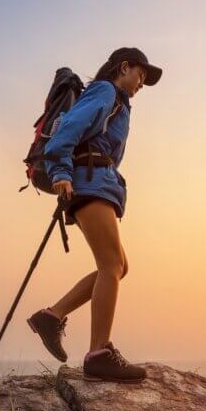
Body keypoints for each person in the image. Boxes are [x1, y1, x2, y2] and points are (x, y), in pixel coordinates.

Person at [27, 48, 162, 382]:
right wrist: (60, 171)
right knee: (112, 265)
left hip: (96, 182)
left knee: (118, 266)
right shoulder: (105, 91)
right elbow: (67, 128)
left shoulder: (116, 100)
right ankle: (99, 352)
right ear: (124, 67)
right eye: (141, 74)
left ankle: (52, 316)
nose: (142, 83)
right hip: (89, 182)